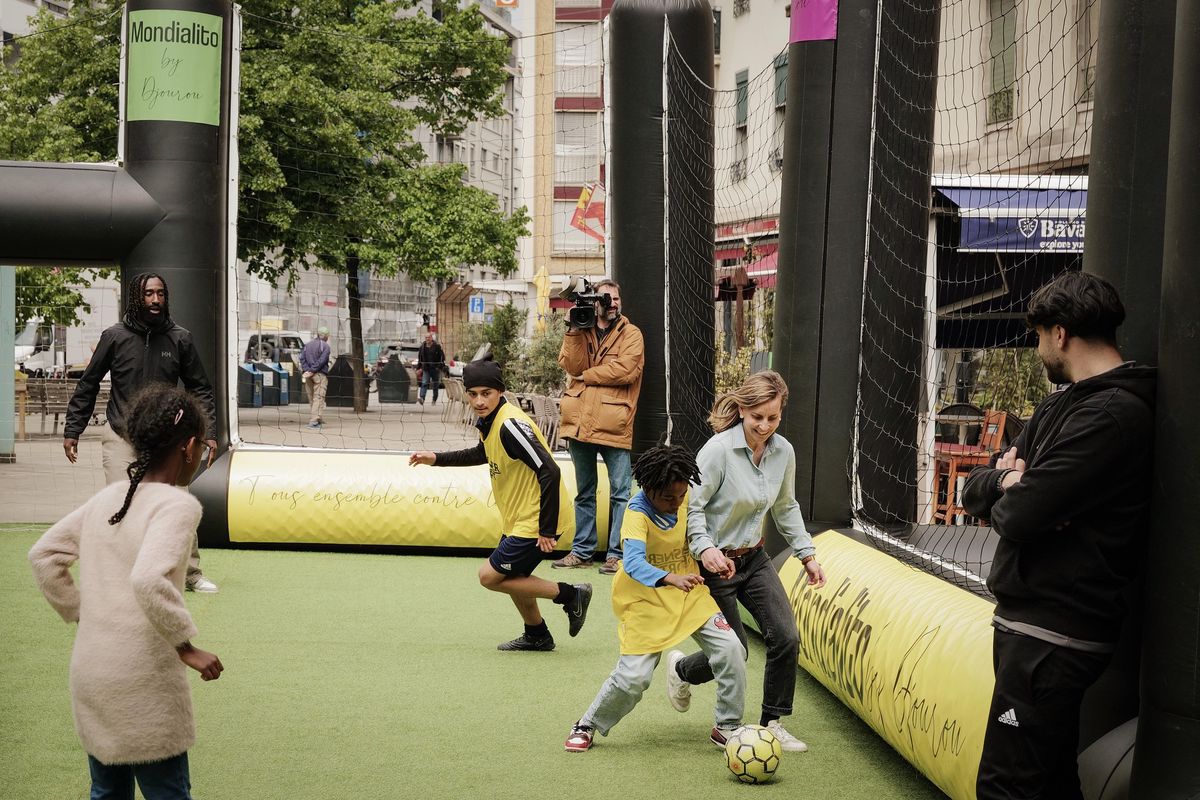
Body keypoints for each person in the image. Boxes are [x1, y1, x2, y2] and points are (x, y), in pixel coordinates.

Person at [960, 272, 1155, 800]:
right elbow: (974, 490)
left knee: (1006, 786)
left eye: (1040, 335)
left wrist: (1019, 489)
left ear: (1061, 334)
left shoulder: (1114, 415)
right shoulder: (1057, 406)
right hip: (1029, 627)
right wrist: (1007, 479)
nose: (1038, 347)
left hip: (1056, 633)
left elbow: (1019, 515)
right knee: (1048, 781)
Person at [30, 385, 225, 800]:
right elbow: (149, 580)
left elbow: (43, 556)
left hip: (92, 669)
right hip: (143, 678)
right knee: (166, 792)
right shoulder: (176, 506)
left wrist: (83, 612)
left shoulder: (109, 498)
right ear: (189, 447)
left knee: (106, 789)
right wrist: (186, 646)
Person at [667, 370, 826, 751]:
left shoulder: (783, 452)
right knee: (734, 650)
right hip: (714, 564)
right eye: (757, 417)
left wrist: (807, 554)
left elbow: (786, 506)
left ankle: (772, 722)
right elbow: (694, 508)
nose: (765, 426)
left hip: (754, 558)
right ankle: (680, 670)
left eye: (773, 418)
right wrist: (705, 549)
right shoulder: (718, 450)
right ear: (742, 410)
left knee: (786, 637)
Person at [564, 445, 747, 752]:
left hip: (689, 595)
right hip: (645, 601)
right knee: (633, 678)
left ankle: (728, 726)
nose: (676, 503)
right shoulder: (635, 514)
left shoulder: (686, 498)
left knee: (732, 649)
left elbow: (700, 534)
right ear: (647, 488)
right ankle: (587, 723)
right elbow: (633, 563)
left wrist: (716, 556)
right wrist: (672, 578)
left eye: (680, 496)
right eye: (667, 497)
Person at [409, 357, 593, 651]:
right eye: (473, 394)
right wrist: (436, 459)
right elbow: (482, 454)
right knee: (514, 576)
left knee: (490, 577)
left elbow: (550, 470)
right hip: (520, 518)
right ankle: (537, 634)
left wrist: (545, 529)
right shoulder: (490, 422)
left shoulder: (510, 425)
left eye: (486, 393)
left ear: (500, 392)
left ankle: (570, 595)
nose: (479, 401)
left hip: (537, 520)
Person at [63, 272, 220, 593]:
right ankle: (123, 573)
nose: (155, 300)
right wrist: (73, 428)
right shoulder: (114, 337)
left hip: (167, 437)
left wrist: (209, 431)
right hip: (121, 433)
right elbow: (88, 384)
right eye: (149, 294)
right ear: (137, 297)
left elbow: (200, 389)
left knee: (178, 502)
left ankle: (189, 573)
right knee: (122, 503)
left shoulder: (180, 338)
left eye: (161, 294)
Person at [554, 278, 645, 576]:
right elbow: (572, 366)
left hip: (614, 422)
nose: (613, 303)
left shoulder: (632, 334)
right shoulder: (583, 327)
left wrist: (588, 376)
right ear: (594, 301)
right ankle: (582, 551)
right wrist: (573, 330)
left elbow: (626, 370)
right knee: (585, 492)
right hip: (579, 420)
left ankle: (616, 554)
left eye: (616, 298)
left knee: (621, 491)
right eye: (607, 298)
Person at [300, 326, 332, 429]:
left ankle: (317, 418)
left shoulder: (307, 345)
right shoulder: (325, 346)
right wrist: (313, 370)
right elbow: (322, 361)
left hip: (308, 375)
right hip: (319, 375)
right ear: (326, 336)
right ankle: (314, 421)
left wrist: (307, 370)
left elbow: (302, 358)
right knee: (319, 397)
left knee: (312, 398)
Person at [416, 331, 446, 406]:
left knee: (435, 385)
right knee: (424, 383)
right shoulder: (422, 347)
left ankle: (434, 399)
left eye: (428, 337)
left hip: (435, 369)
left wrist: (439, 367)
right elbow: (420, 359)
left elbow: (442, 357)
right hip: (426, 369)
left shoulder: (437, 346)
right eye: (426, 338)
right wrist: (418, 368)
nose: (427, 339)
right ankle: (422, 398)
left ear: (431, 338)